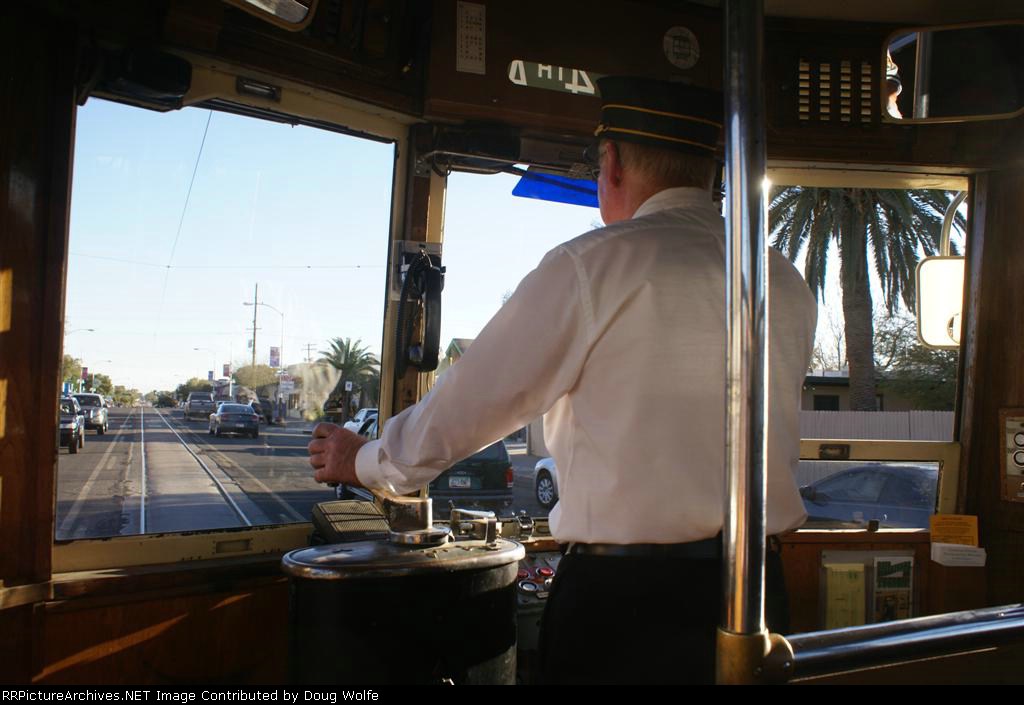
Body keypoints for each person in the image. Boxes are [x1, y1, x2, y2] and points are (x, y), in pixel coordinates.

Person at [308, 76, 817, 684]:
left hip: (629, 610)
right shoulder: (780, 276)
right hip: (761, 597)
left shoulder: (592, 265)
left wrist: (365, 460)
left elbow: (467, 406)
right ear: (709, 172)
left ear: (612, 164)